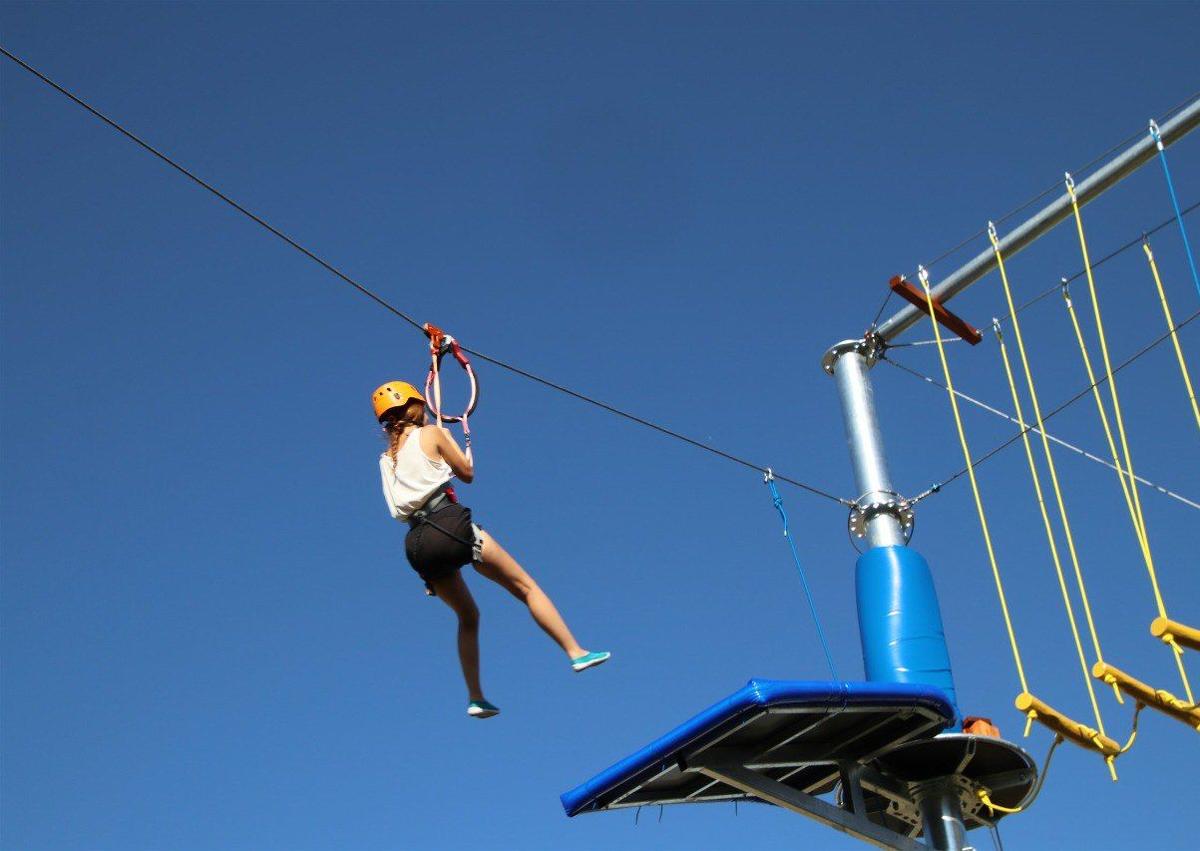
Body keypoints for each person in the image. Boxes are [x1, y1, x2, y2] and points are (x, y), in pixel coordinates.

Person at [372, 381, 610, 718]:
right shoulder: (432, 434)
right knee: (526, 588)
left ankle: (475, 696)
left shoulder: (386, 459)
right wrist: (458, 447)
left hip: (417, 546)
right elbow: (466, 474)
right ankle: (575, 652)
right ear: (415, 404)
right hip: (448, 524)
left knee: (468, 617)